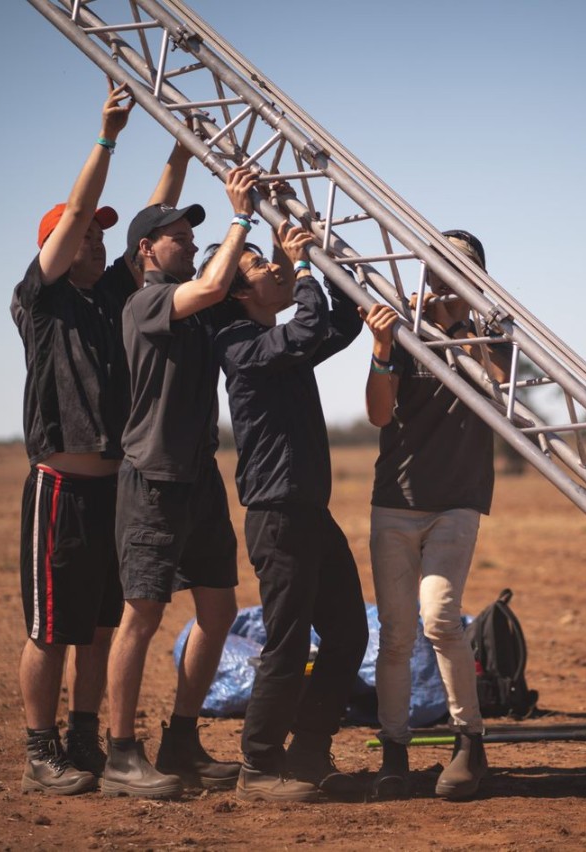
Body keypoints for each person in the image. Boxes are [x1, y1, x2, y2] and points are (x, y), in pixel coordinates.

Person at [10, 85, 196, 794]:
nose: (96, 238)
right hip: (58, 487)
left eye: (98, 234)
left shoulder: (111, 296)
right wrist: (107, 137)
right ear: (56, 245)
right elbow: (82, 209)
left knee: (95, 628)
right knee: (50, 630)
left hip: (111, 490)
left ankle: (85, 738)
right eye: (85, 232)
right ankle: (39, 749)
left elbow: (149, 219)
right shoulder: (41, 298)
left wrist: (180, 154)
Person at [100, 165, 259, 799]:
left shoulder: (194, 306)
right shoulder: (147, 303)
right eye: (177, 236)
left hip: (199, 475)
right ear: (146, 249)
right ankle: (120, 755)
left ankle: (181, 741)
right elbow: (217, 283)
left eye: (194, 237)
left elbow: (234, 287)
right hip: (153, 479)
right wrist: (240, 215)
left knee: (219, 610)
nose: (190, 244)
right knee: (140, 615)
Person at [214, 221, 368, 803]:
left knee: (349, 633)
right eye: (260, 266)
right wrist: (305, 267)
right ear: (237, 292)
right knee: (287, 641)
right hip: (278, 516)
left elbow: (341, 325)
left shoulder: (280, 345)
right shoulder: (239, 344)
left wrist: (330, 264)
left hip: (310, 512)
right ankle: (258, 766)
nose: (274, 269)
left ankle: (307, 751)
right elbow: (308, 326)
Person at [359, 230, 509, 800]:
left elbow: (503, 389)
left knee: (441, 619)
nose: (442, 274)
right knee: (396, 634)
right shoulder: (399, 327)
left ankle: (469, 743)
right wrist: (380, 348)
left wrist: (466, 325)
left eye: (458, 265)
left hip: (457, 501)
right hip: (394, 501)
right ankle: (393, 752)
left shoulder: (498, 336)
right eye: (434, 263)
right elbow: (377, 415)